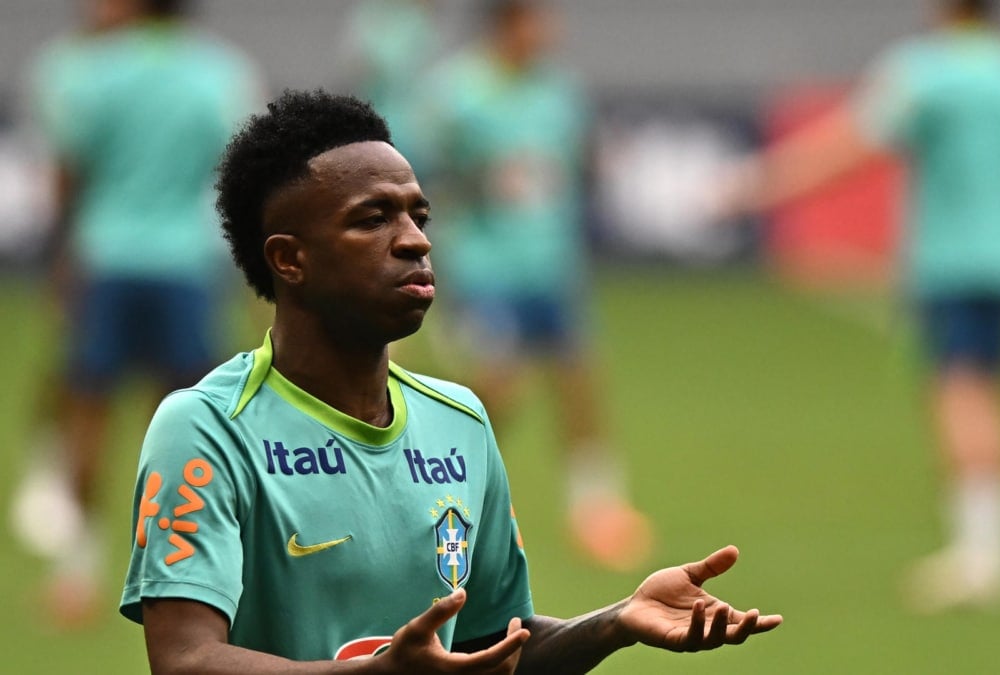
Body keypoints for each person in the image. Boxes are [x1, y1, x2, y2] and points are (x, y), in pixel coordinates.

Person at [119, 88, 781, 672]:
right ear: (290, 259)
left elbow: (494, 645)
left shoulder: (459, 421)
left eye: (418, 215)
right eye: (373, 219)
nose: (415, 240)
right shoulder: (206, 428)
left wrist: (614, 622)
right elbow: (186, 659)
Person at [728, 0, 1000, 612]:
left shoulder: (926, 72)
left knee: (960, 394)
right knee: (994, 394)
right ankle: (993, 543)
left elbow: (849, 146)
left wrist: (757, 186)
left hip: (953, 262)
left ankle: (981, 557)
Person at [14, 0, 257, 625]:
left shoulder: (94, 71)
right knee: (183, 425)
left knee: (88, 410)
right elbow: (233, 172)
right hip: (185, 263)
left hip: (108, 256)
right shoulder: (222, 73)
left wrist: (64, 251)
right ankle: (178, 573)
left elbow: (70, 170)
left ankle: (77, 571)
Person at [424, 0, 652, 571]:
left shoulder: (561, 94)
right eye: (537, 19)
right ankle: (447, 497)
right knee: (495, 392)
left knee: (578, 382)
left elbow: (580, 170)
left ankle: (596, 509)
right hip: (484, 270)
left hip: (550, 267)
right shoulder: (456, 94)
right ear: (506, 25)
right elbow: (424, 181)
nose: (550, 31)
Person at [342, 0, 439, 174]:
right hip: (381, 133)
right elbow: (370, 67)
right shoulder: (378, 18)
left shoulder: (417, 25)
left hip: (410, 138)